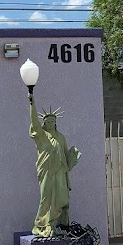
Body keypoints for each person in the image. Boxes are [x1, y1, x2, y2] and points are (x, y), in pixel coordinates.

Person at [29, 91, 81, 237]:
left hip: (60, 172)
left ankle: (55, 223)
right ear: (44, 123)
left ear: (56, 122)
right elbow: (34, 121)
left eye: (53, 121)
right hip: (46, 171)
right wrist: (32, 104)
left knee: (60, 198)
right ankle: (40, 225)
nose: (51, 123)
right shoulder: (41, 136)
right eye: (48, 121)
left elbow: (64, 154)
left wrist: (72, 159)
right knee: (46, 198)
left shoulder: (61, 137)